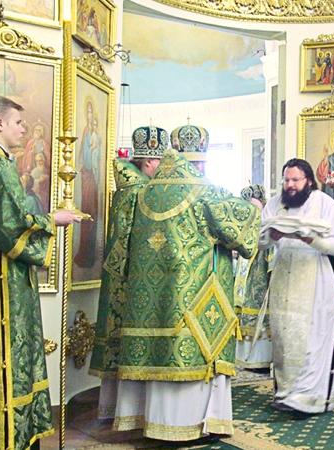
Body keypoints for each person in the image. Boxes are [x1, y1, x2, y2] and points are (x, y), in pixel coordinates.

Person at [113, 124, 260, 441]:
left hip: (149, 303)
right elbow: (242, 229)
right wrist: (257, 210)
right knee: (195, 351)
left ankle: (149, 422)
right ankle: (190, 425)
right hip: (194, 298)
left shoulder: (143, 192)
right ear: (201, 159)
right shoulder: (206, 191)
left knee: (156, 353)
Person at [0, 95, 81, 450]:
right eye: (17, 122)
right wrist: (53, 219)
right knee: (3, 355)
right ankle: (4, 439)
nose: (23, 128)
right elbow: (7, 225)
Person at [259, 158, 334, 416]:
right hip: (283, 279)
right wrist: (272, 236)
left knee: (313, 338)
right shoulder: (274, 204)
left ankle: (310, 397)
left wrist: (311, 239)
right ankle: (286, 393)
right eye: (286, 180)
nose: (290, 185)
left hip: (317, 281)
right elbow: (259, 241)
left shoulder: (326, 204)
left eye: (295, 180)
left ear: (308, 180)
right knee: (284, 337)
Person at [89, 125, 166, 419]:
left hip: (121, 271)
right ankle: (129, 410)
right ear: (148, 162)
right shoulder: (139, 192)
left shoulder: (129, 189)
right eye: (160, 162)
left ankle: (117, 408)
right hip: (130, 273)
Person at [234, 184, 273, 369]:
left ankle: (260, 359)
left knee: (258, 312)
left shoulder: (269, 222)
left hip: (261, 275)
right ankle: (244, 358)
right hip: (244, 276)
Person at [75, 101, 100, 268]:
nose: (90, 118)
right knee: (86, 214)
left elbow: (95, 160)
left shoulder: (96, 137)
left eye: (92, 114)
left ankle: (90, 252)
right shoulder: (86, 132)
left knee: (92, 214)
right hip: (87, 177)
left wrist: (94, 151)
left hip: (93, 178)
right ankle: (84, 253)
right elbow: (84, 157)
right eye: (88, 113)